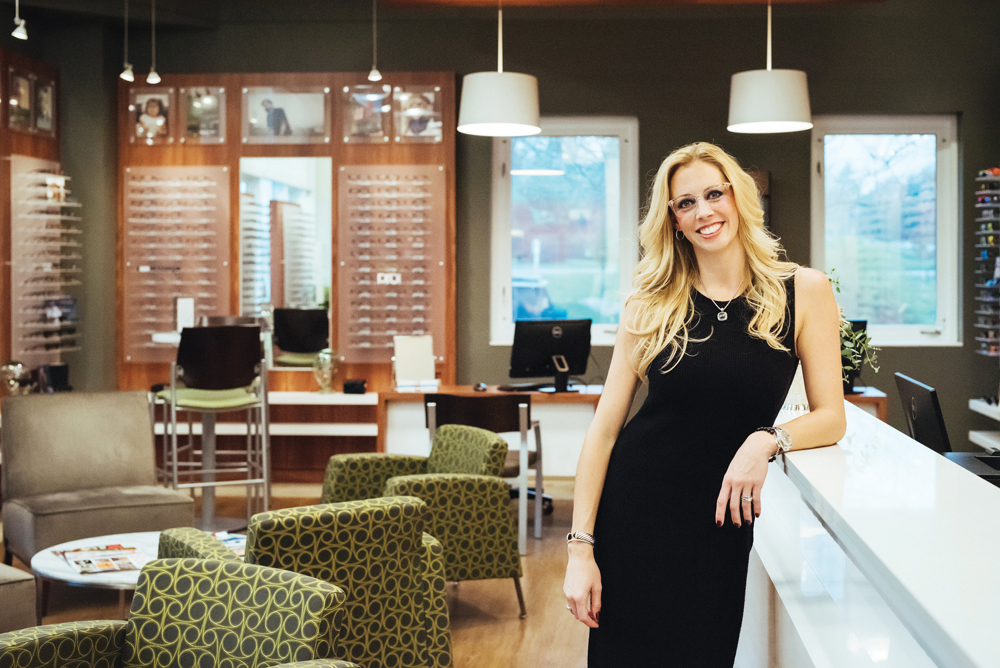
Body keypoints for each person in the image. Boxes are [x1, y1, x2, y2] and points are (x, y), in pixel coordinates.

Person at [563, 142, 846, 666]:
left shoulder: (804, 291)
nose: (703, 212)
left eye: (714, 194)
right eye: (685, 203)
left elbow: (832, 417)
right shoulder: (648, 302)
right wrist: (581, 550)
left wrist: (765, 441)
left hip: (720, 526)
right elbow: (604, 432)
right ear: (672, 220)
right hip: (635, 518)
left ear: (739, 198)